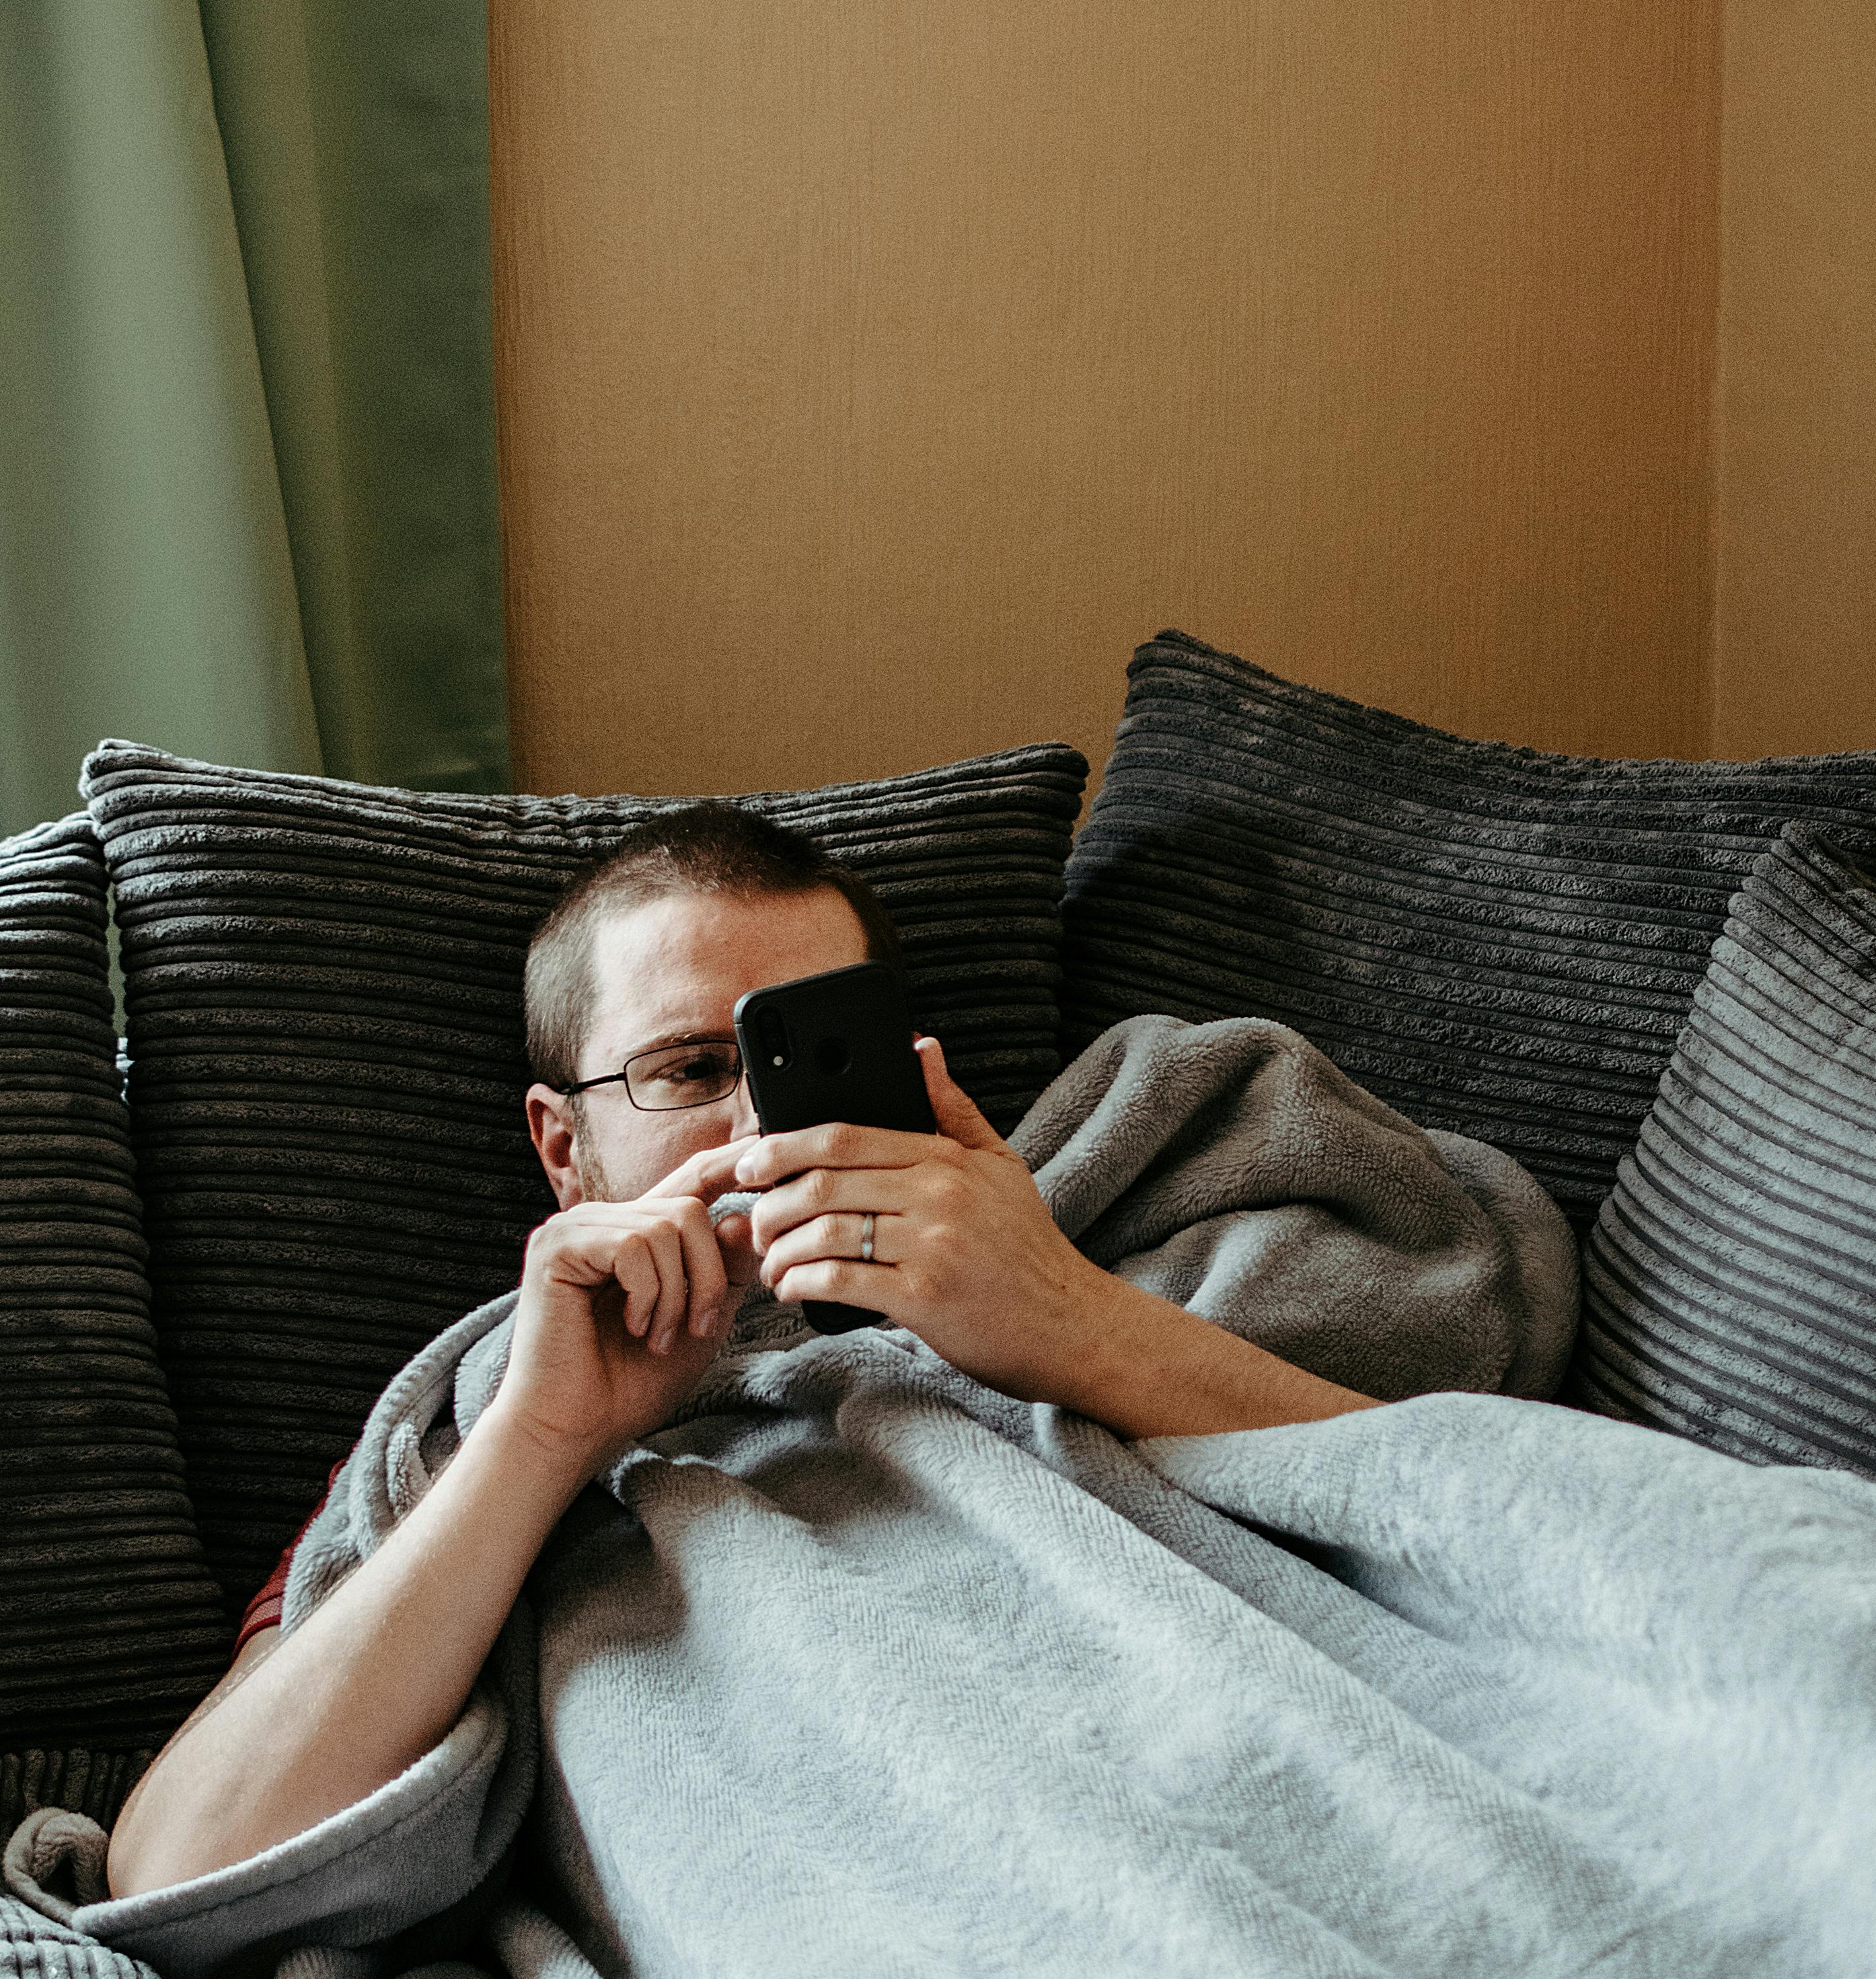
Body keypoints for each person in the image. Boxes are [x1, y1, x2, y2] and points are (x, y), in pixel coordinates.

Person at [106, 806, 1374, 1900]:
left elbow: (1455, 1496)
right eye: (692, 1068)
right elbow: (177, 1857)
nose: (763, 1119)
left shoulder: (1119, 1226)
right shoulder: (473, 1424)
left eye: (810, 1044)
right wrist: (542, 1446)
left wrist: (1065, 1320)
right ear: (564, 1152)